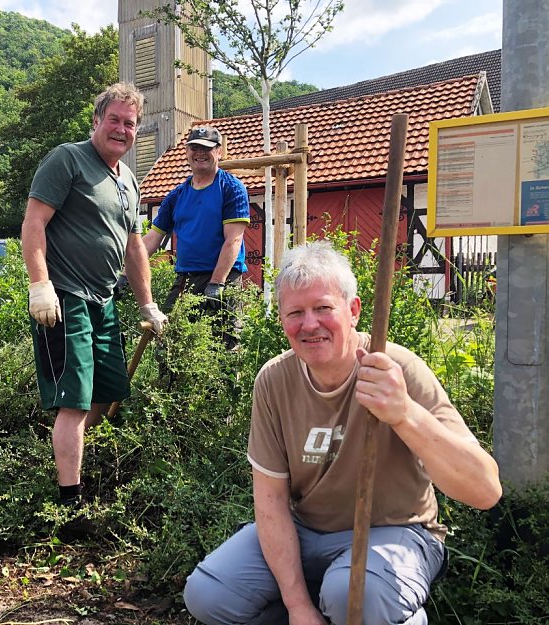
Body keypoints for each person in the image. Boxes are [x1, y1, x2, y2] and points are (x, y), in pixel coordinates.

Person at [182, 241, 502, 625]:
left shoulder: (396, 369)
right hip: (306, 531)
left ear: (353, 311)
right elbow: (270, 503)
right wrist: (298, 606)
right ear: (281, 319)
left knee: (354, 595)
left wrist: (404, 415)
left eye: (323, 308)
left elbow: (485, 491)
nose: (310, 324)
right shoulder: (274, 380)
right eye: (295, 312)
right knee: (208, 595)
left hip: (395, 530)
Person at [21, 83, 167, 528]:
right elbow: (33, 222)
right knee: (75, 403)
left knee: (107, 393)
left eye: (130, 123)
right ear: (97, 121)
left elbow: (134, 245)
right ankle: (70, 505)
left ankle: (83, 467)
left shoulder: (128, 179)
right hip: (65, 299)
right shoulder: (68, 159)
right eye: (115, 119)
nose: (121, 129)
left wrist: (147, 304)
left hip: (104, 300)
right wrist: (40, 285)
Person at [142, 126, 249, 350]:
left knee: (224, 347)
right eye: (195, 147)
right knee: (170, 343)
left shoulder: (231, 189)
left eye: (207, 148)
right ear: (187, 151)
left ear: (219, 151)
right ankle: (171, 385)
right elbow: (152, 239)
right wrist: (125, 271)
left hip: (223, 279)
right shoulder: (177, 195)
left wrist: (216, 283)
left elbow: (233, 240)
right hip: (185, 280)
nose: (200, 153)